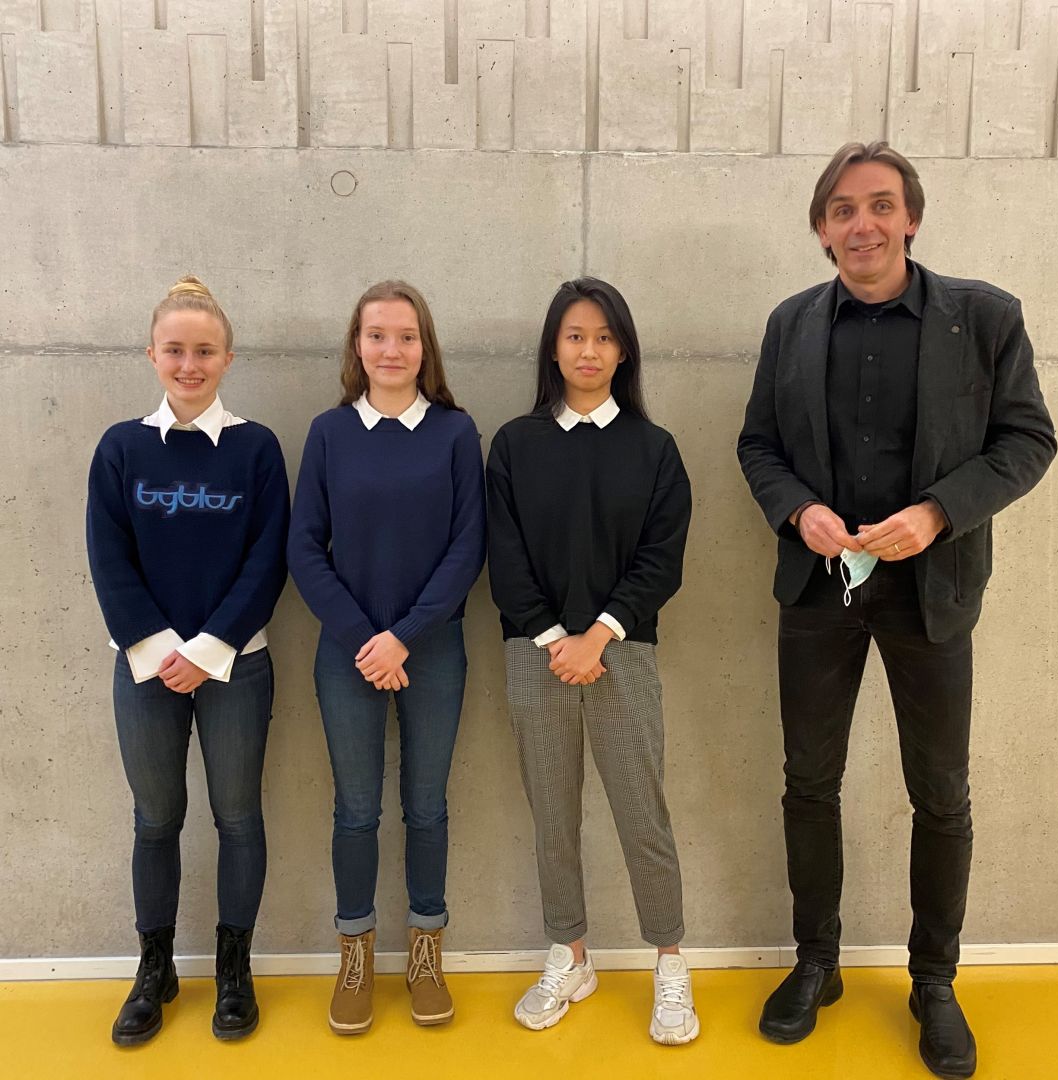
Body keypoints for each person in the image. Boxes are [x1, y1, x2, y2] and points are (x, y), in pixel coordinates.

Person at [737, 142, 1056, 1078]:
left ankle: (934, 981)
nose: (862, 224)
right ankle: (817, 962)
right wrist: (799, 510)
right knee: (808, 783)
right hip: (819, 591)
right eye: (842, 209)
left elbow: (1027, 439)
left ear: (911, 217)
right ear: (821, 228)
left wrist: (938, 513)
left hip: (934, 592)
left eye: (880, 205)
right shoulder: (791, 323)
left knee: (941, 794)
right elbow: (758, 444)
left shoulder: (985, 316)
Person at [486, 277, 698, 1045]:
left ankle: (670, 963)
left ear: (624, 351)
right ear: (553, 347)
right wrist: (555, 639)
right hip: (534, 654)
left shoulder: (654, 449)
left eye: (605, 337)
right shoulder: (515, 445)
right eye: (576, 335)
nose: (590, 350)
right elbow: (504, 556)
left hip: (623, 654)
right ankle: (570, 956)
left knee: (644, 816)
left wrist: (598, 636)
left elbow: (661, 560)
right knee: (553, 815)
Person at [86, 276, 290, 1045]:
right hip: (145, 668)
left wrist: (208, 651)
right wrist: (163, 650)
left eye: (205, 351)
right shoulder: (122, 448)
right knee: (155, 820)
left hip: (237, 664)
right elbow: (109, 559)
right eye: (175, 350)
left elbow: (268, 560)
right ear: (152, 355)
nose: (189, 364)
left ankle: (234, 971)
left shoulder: (256, 449)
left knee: (238, 818)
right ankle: (155, 970)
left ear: (228, 358)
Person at [287, 280, 485, 1034]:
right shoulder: (329, 433)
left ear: (425, 347)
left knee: (427, 806)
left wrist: (404, 635)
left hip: (432, 650)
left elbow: (469, 545)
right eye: (377, 335)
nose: (391, 349)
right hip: (348, 653)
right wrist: (364, 639)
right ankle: (356, 956)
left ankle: (426, 953)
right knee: (356, 810)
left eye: (406, 336)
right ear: (357, 345)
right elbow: (305, 547)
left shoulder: (456, 433)